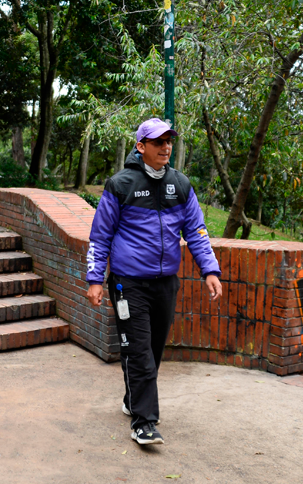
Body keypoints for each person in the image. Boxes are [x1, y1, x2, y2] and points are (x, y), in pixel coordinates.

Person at [86, 118, 223, 446]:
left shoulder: (181, 184)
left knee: (154, 349)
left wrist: (210, 270)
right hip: (127, 283)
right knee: (140, 353)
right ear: (141, 146)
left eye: (169, 141)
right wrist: (94, 279)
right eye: (158, 142)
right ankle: (143, 423)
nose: (166, 147)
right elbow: (99, 236)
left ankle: (133, 400)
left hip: (165, 283)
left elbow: (197, 232)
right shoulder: (120, 185)